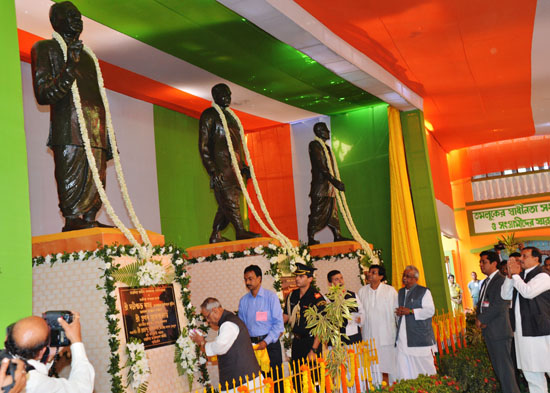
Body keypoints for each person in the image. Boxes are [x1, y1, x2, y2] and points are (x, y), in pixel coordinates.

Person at [31, 1, 113, 232]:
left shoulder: (89, 56)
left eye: (79, 16)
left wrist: (105, 135)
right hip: (69, 129)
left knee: (98, 176)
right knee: (71, 174)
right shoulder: (44, 48)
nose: (78, 20)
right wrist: (69, 67)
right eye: (70, 15)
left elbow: (97, 98)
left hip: (95, 129)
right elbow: (44, 93)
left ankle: (89, 217)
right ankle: (73, 218)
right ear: (55, 20)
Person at [198, 83, 260, 243]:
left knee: (225, 204)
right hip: (221, 168)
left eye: (229, 94)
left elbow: (237, 145)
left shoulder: (232, 117)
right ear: (215, 96)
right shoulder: (209, 115)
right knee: (230, 201)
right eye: (224, 94)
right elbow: (203, 146)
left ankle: (215, 235)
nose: (228, 98)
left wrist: (244, 166)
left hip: (235, 169)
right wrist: (212, 169)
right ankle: (240, 231)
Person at [5, 312, 94, 393]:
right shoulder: (33, 381)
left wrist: (48, 357)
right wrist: (76, 340)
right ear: (41, 352)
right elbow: (82, 389)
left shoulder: (6, 362)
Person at [502, 246, 550, 393]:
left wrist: (516, 276)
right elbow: (505, 295)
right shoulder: (519, 277)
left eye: (524, 256)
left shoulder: (544, 276)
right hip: (523, 333)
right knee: (531, 374)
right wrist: (510, 276)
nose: (520, 259)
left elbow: (528, 292)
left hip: (541, 332)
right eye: (520, 257)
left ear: (536, 259)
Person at [191, 298, 261, 392]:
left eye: (207, 317)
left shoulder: (228, 324)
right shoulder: (229, 320)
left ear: (215, 310)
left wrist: (202, 343)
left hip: (242, 380)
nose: (207, 321)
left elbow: (220, 347)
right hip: (244, 378)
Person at [476, 251, 520, 393]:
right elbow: (482, 303)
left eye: (484, 262)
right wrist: (480, 318)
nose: (481, 265)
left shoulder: (500, 280)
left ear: (494, 263)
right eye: (480, 262)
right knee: (500, 370)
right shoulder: (486, 282)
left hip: (499, 331)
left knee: (505, 370)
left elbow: (500, 304)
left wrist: (482, 319)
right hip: (490, 330)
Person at [238, 265, 284, 389]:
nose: (247, 282)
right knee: (257, 383)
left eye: (250, 279)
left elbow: (279, 325)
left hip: (270, 346)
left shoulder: (271, 297)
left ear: (259, 279)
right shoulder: (243, 301)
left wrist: (265, 342)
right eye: (245, 279)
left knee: (275, 382)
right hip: (253, 347)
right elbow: (242, 326)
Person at [306, 122, 351, 245]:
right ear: (320, 131)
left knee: (333, 212)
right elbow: (322, 167)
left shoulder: (327, 148)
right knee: (317, 211)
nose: (328, 132)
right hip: (320, 187)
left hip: (329, 187)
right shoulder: (315, 145)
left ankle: (337, 235)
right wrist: (335, 181)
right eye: (326, 130)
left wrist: (333, 183)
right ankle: (311, 238)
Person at [394, 265, 436, 381]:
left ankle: (430, 385)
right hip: (403, 337)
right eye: (404, 275)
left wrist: (411, 311)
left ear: (415, 279)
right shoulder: (400, 292)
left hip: (419, 337)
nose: (404, 278)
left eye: (408, 276)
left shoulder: (424, 291)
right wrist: (398, 312)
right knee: (404, 368)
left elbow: (430, 311)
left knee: (425, 368)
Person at [357, 264, 397, 384]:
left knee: (390, 365)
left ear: (381, 276)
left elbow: (397, 313)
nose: (370, 274)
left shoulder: (390, 291)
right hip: (369, 335)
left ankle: (395, 388)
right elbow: (359, 313)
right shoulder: (362, 291)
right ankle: (376, 387)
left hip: (387, 335)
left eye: (373, 272)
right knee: (372, 366)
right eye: (370, 272)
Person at [282, 263, 325, 363]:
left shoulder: (316, 298)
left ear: (310, 279)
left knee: (313, 377)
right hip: (297, 341)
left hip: (311, 342)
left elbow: (322, 326)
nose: (297, 278)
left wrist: (313, 350)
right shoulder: (292, 295)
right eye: (296, 276)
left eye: (301, 276)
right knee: (297, 375)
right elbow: (285, 316)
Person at [326, 270, 362, 344]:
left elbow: (362, 311)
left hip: (353, 334)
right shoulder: (327, 299)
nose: (340, 281)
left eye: (341, 278)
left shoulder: (353, 295)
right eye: (336, 279)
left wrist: (360, 319)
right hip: (337, 338)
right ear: (330, 284)